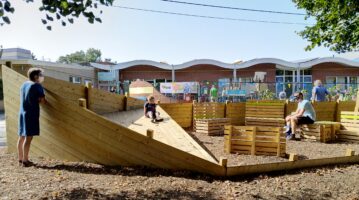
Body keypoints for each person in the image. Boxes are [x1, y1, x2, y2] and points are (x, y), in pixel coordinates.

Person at [18, 68, 47, 167]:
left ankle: (20, 158)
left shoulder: (24, 84)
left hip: (22, 113)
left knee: (22, 136)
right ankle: (25, 161)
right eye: (41, 75)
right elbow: (43, 101)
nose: (42, 77)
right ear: (35, 76)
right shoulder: (37, 86)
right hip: (31, 113)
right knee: (29, 137)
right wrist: (41, 100)